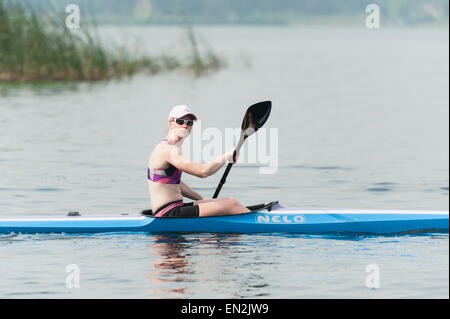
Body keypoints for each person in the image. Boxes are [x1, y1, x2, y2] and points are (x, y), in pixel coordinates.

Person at [147, 105, 251, 218]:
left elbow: (176, 183)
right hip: (167, 213)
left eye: (189, 123)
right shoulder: (167, 149)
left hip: (175, 208)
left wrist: (202, 199)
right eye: (180, 121)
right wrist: (227, 156)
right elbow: (203, 172)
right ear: (170, 122)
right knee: (232, 203)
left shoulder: (171, 148)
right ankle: (259, 221)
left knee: (227, 203)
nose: (185, 125)